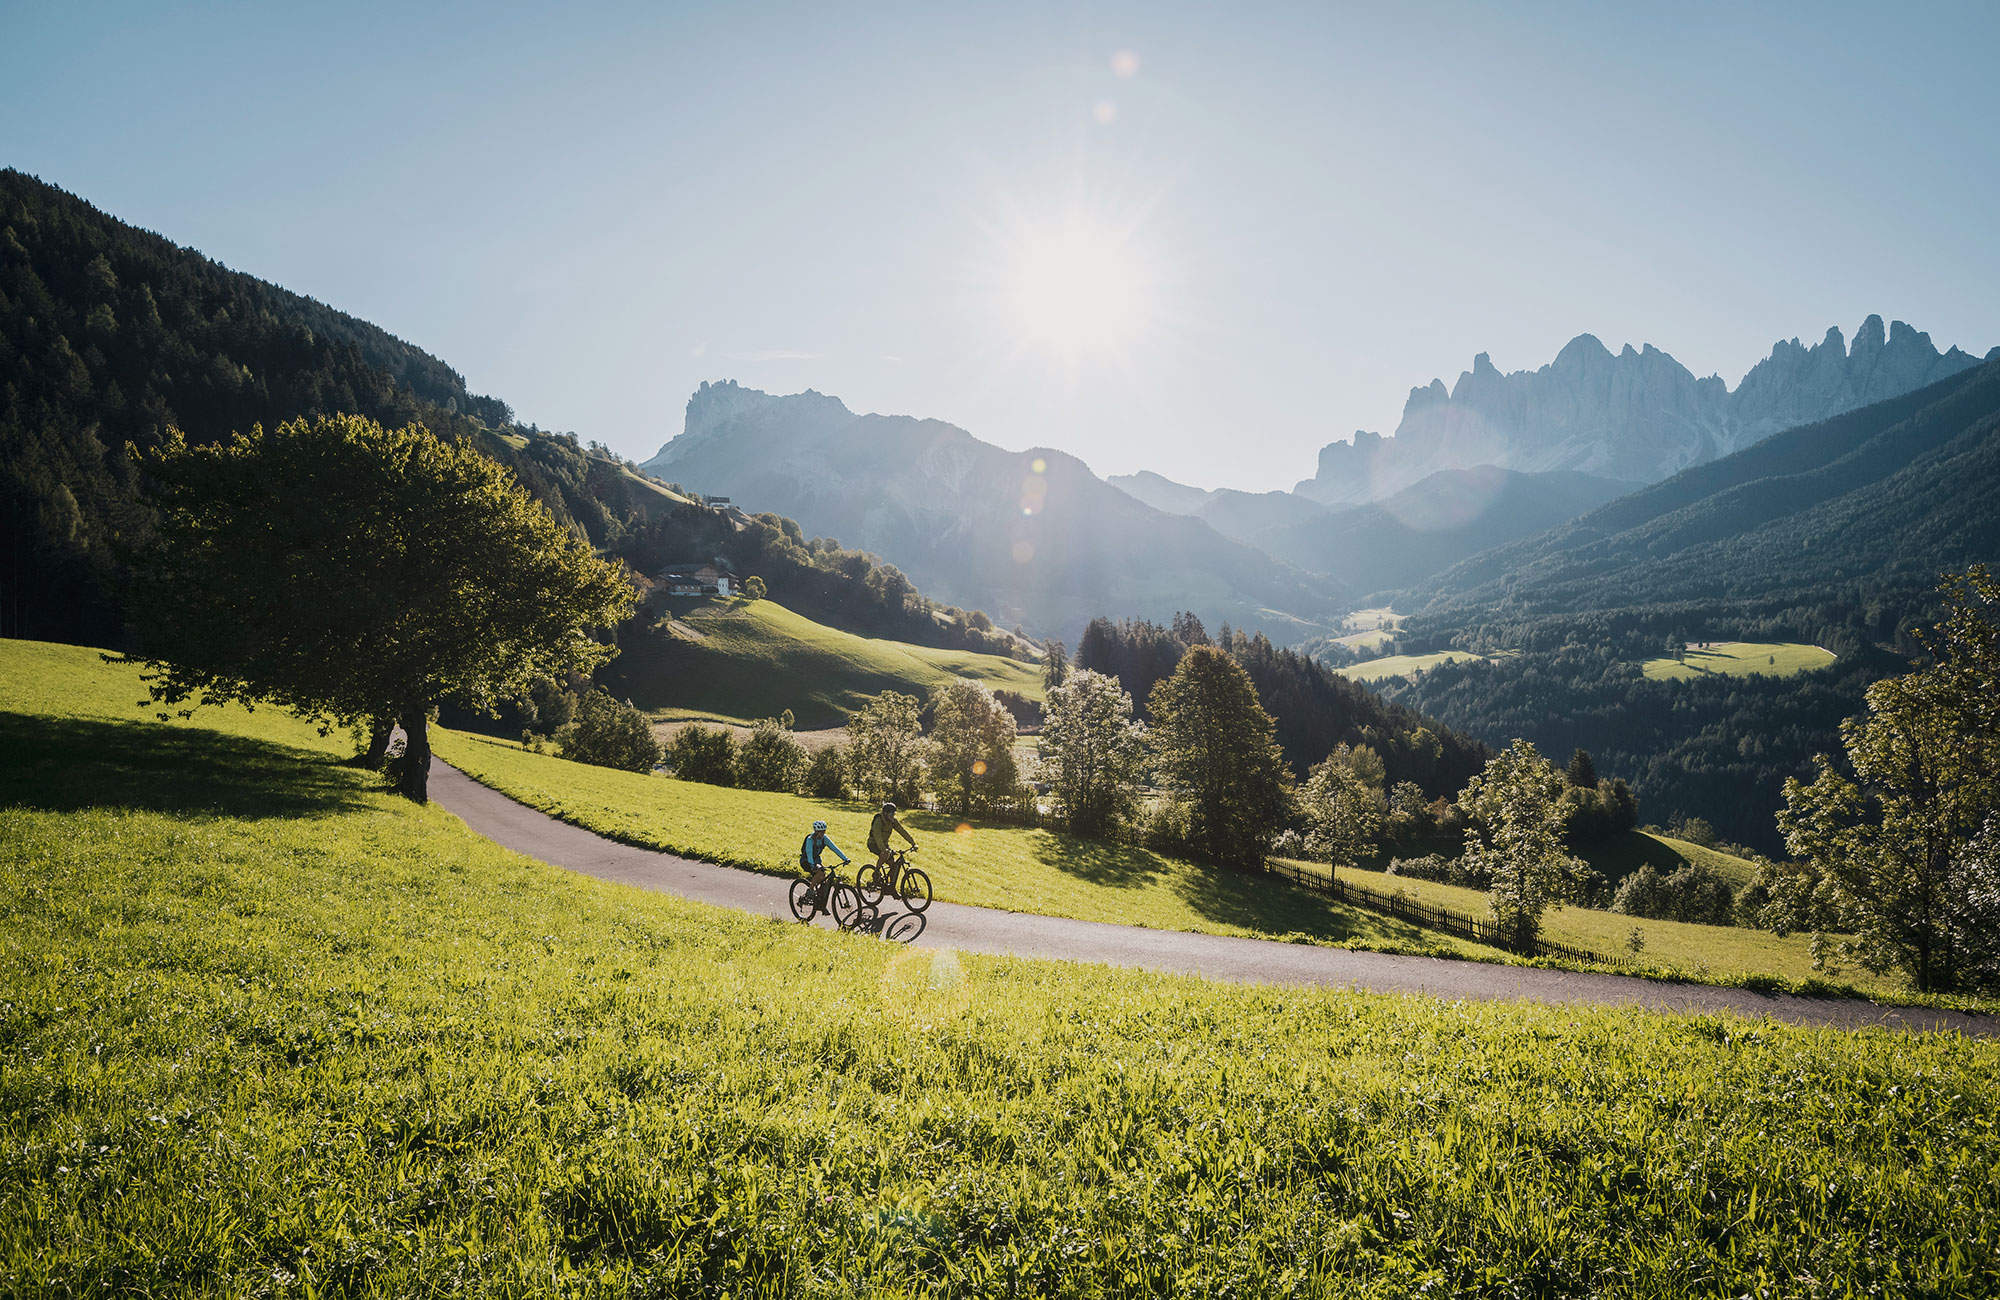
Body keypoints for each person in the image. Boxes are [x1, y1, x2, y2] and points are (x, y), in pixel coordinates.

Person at [868, 800, 919, 891]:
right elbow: (878, 837)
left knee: (894, 866)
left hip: (884, 844)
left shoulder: (892, 821)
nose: (892, 816)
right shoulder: (879, 821)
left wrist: (913, 843)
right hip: (873, 843)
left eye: (894, 814)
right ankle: (876, 873)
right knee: (885, 854)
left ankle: (891, 888)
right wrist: (884, 849)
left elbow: (902, 831)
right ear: (885, 813)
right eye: (891, 814)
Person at [799, 819, 849, 895]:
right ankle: (810, 890)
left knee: (823, 877)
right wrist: (813, 865)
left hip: (816, 860)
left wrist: (845, 858)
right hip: (806, 861)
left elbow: (835, 848)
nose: (822, 833)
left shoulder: (824, 838)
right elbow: (809, 853)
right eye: (820, 832)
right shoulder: (810, 839)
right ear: (816, 832)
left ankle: (818, 895)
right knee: (820, 872)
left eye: (824, 831)